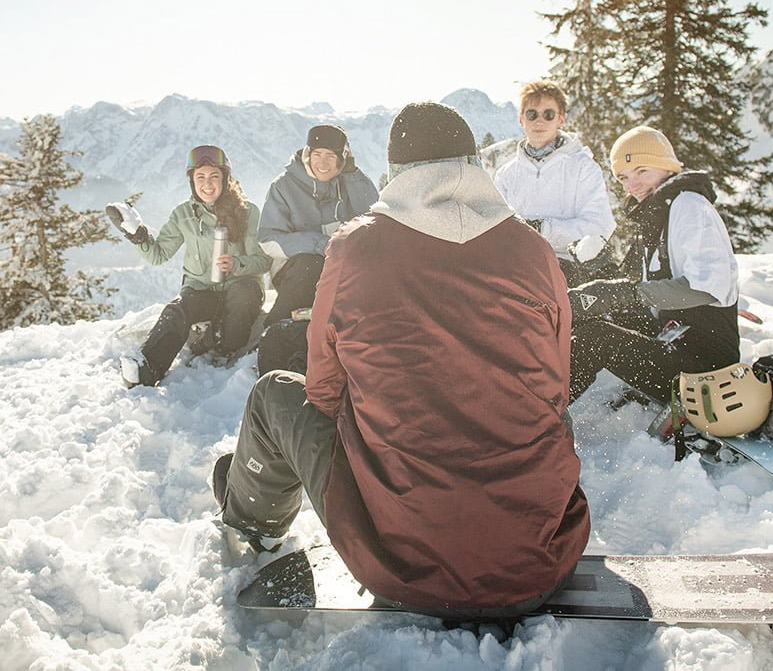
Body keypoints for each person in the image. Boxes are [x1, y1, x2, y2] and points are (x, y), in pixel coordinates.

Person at [215, 102, 590, 619]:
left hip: (401, 563)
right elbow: (555, 388)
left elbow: (322, 392)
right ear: (473, 166)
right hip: (538, 561)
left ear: (396, 173)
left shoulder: (355, 248)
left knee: (274, 393)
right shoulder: (532, 250)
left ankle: (253, 526)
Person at [567, 125, 740, 404]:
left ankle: (533, 416)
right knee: (589, 315)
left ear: (666, 166)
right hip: (672, 337)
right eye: (623, 177)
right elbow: (648, 293)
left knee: (594, 338)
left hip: (705, 370)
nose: (632, 185)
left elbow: (707, 288)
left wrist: (626, 294)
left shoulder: (690, 206)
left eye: (642, 171)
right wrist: (602, 282)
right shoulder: (659, 214)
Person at [113, 145, 271, 387]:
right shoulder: (183, 214)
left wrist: (236, 263)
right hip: (202, 290)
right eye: (200, 177)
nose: (207, 184)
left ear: (225, 179)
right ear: (192, 181)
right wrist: (138, 235)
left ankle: (224, 348)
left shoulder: (247, 212)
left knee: (243, 294)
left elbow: (263, 260)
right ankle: (146, 368)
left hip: (241, 289)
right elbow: (158, 255)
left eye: (214, 176)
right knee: (178, 309)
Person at [255, 125, 378, 373]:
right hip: (295, 271)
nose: (323, 163)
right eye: (317, 154)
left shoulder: (348, 182)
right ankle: (271, 335)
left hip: (340, 268)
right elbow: (268, 239)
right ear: (307, 154)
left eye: (331, 156)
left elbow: (373, 214)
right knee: (310, 265)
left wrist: (352, 173)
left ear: (342, 159)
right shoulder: (284, 186)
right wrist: (319, 244)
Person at [494, 80, 615, 280]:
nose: (539, 121)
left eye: (548, 114)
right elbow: (495, 228)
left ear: (561, 119)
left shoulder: (582, 166)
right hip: (516, 271)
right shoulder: (506, 174)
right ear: (521, 119)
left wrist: (544, 230)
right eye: (532, 114)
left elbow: (599, 226)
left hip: (569, 270)